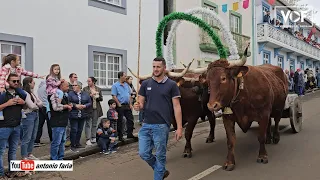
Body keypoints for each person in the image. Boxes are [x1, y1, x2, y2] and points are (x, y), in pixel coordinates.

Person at [134, 57, 183, 180]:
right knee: (143, 153)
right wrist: (137, 106)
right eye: (154, 67)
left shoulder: (171, 85)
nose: (155, 69)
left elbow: (177, 107)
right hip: (146, 124)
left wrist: (179, 127)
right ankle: (161, 170)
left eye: (158, 67)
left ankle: (159, 174)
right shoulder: (145, 84)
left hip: (162, 125)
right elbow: (140, 104)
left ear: (164, 68)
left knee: (161, 156)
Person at [0, 54, 45, 120]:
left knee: (23, 94)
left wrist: (37, 76)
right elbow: (2, 77)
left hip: (15, 85)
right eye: (18, 60)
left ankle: (21, 111)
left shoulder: (18, 69)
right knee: (2, 95)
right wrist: (1, 86)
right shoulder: (5, 68)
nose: (19, 61)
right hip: (6, 84)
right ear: (13, 62)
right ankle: (1, 112)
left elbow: (26, 73)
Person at [0, 74, 27, 178]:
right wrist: (7, 103)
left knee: (13, 150)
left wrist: (23, 102)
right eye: (13, 81)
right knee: (1, 151)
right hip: (4, 127)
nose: (16, 83)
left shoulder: (19, 93)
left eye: (17, 81)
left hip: (17, 126)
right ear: (8, 81)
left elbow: (25, 106)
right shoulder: (2, 94)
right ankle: (1, 174)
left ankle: (13, 171)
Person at [49, 80, 72, 160]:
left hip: (63, 121)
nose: (68, 88)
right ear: (61, 86)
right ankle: (54, 159)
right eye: (67, 86)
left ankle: (61, 158)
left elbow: (64, 105)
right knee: (56, 142)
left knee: (62, 142)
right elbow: (55, 107)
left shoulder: (65, 95)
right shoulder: (55, 95)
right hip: (57, 122)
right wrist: (66, 106)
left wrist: (68, 106)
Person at [20, 77, 43, 160]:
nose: (34, 84)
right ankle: (24, 155)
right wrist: (37, 105)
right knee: (27, 137)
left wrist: (37, 105)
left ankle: (29, 153)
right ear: (29, 83)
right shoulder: (25, 93)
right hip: (28, 115)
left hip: (35, 114)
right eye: (33, 82)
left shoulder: (32, 93)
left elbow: (40, 102)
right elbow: (31, 105)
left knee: (33, 136)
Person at [111, 72, 137, 141]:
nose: (126, 77)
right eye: (125, 76)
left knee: (130, 119)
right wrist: (118, 104)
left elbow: (130, 95)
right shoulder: (115, 85)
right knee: (120, 121)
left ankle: (129, 134)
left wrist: (130, 104)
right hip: (120, 105)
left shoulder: (126, 85)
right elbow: (114, 95)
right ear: (121, 77)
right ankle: (120, 136)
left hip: (127, 105)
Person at [68, 81, 92, 152]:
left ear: (79, 86)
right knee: (74, 129)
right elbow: (68, 102)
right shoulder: (70, 94)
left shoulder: (85, 94)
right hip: (73, 114)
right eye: (73, 85)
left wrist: (85, 106)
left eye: (75, 85)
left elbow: (89, 102)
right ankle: (73, 145)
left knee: (80, 129)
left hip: (83, 113)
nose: (73, 86)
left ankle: (77, 143)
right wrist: (76, 106)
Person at [83, 77, 103, 146]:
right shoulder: (85, 89)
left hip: (96, 108)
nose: (88, 82)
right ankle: (87, 139)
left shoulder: (98, 89)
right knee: (88, 123)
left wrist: (98, 97)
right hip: (88, 108)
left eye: (89, 81)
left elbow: (101, 98)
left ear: (93, 82)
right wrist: (90, 96)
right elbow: (84, 98)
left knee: (95, 123)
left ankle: (93, 137)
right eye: (87, 81)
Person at [35, 76, 52, 146]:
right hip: (47, 107)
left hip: (40, 106)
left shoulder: (40, 86)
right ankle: (52, 139)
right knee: (50, 124)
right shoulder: (48, 87)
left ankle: (37, 140)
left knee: (40, 124)